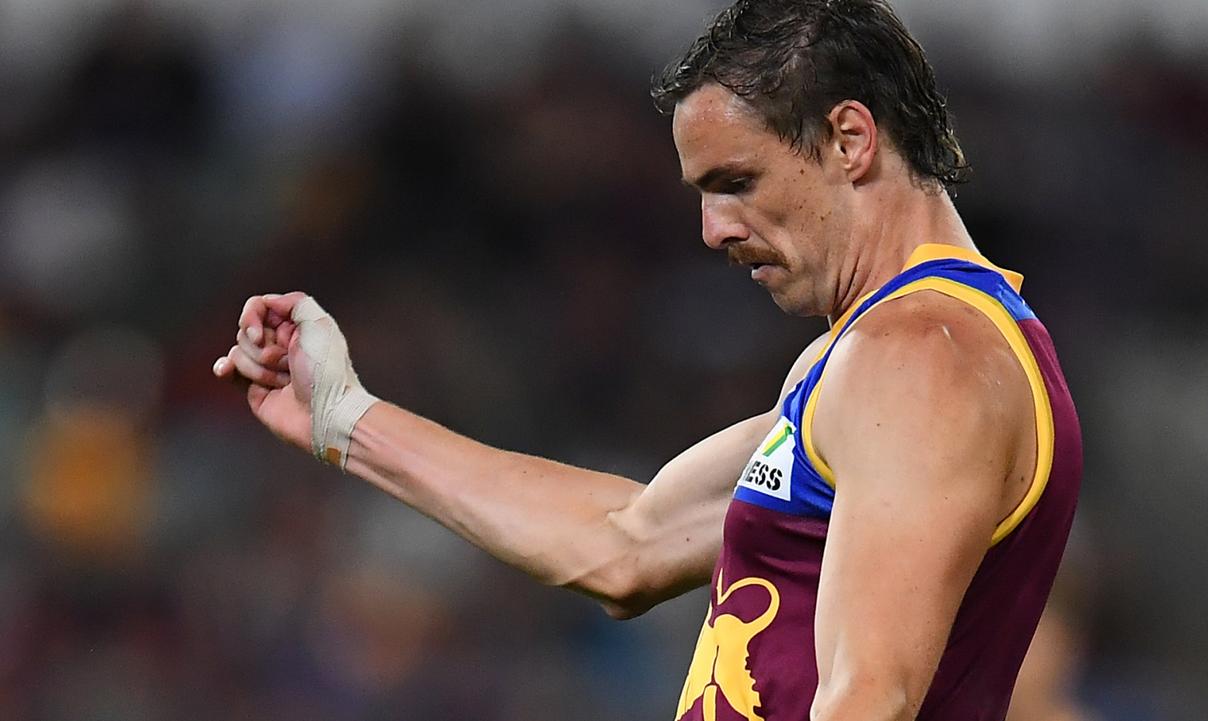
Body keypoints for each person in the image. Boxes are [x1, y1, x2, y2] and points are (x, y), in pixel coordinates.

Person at [212, 1, 1082, 719]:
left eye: (735, 182)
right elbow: (626, 543)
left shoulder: (921, 359)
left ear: (851, 139)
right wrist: (345, 415)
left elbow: (870, 699)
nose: (713, 231)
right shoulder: (874, 361)